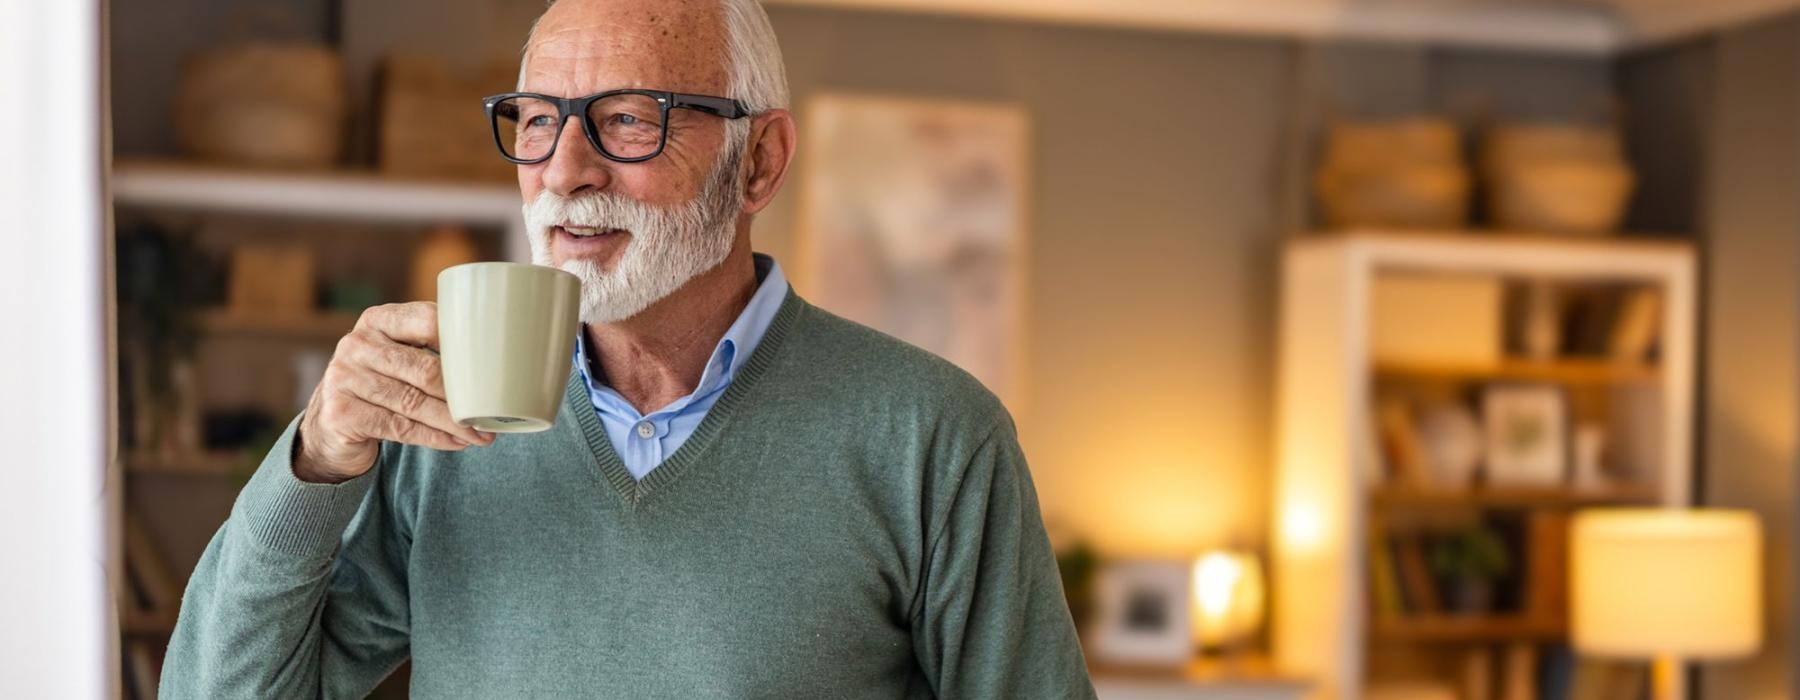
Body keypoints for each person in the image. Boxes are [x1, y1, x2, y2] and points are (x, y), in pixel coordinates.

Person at [159, 0, 1094, 696]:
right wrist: (318, 457)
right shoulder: (434, 430)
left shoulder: (932, 436)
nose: (564, 172)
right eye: (536, 119)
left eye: (628, 117)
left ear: (759, 162)